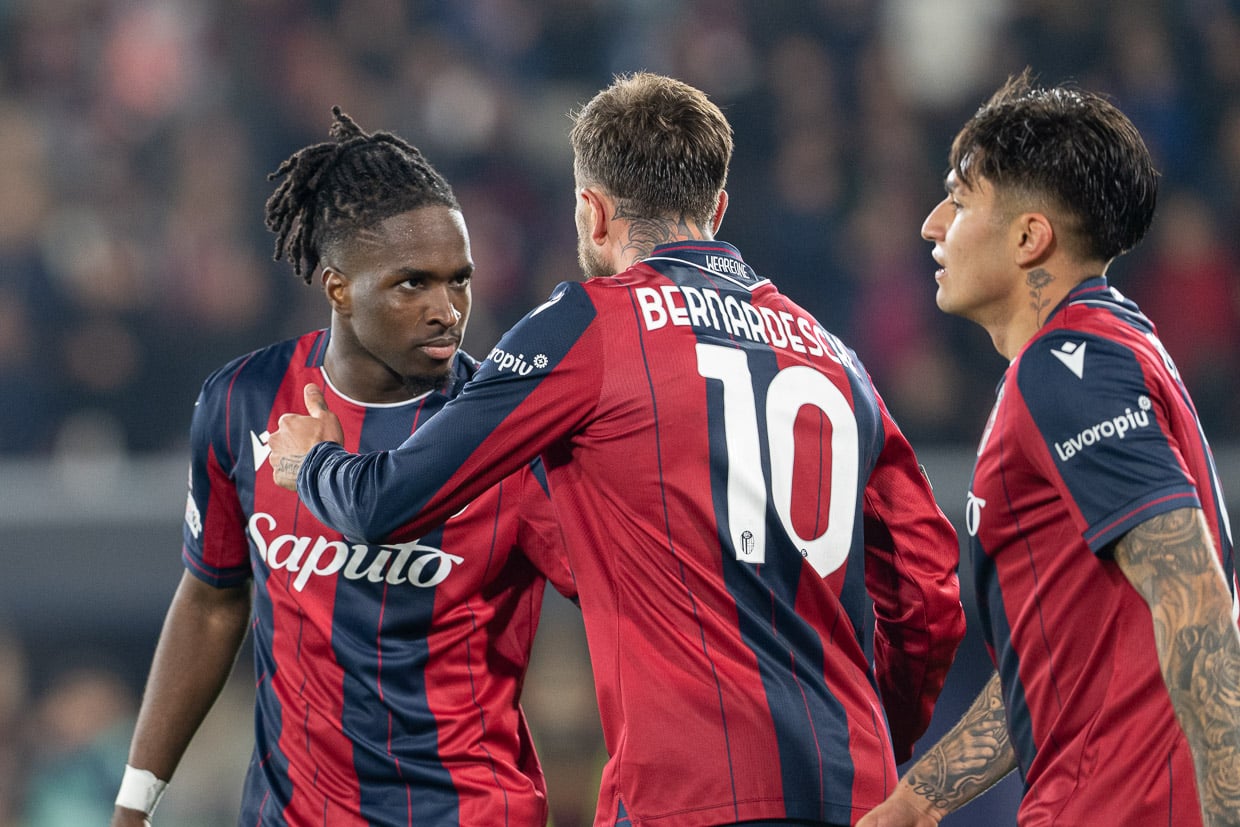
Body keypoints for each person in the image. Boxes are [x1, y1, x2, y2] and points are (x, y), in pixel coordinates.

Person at [268, 72, 966, 827]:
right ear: (716, 210)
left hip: (687, 797)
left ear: (593, 212)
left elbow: (384, 503)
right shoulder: (835, 356)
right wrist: (879, 740)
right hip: (854, 793)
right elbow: (929, 595)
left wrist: (315, 463)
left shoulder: (592, 326)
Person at [111, 108, 574, 827]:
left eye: (459, 280)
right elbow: (211, 599)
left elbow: (624, 610)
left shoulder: (513, 437)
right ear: (337, 287)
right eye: (412, 284)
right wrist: (135, 802)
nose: (446, 310)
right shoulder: (242, 401)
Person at [858, 71, 1240, 827]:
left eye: (959, 200)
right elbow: (1051, 673)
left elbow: (1193, 597)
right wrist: (914, 801)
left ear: (1030, 238)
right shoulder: (1099, 350)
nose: (932, 225)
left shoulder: (1071, 368)